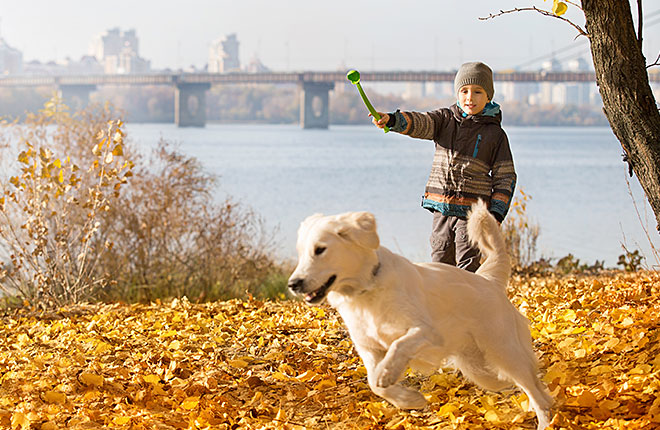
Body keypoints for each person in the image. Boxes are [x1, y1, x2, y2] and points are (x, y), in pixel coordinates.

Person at [372, 61, 516, 272]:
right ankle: (440, 305)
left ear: (488, 97)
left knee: (467, 265)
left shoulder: (495, 134)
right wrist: (393, 121)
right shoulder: (445, 120)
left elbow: (505, 177)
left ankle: (468, 304)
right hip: (442, 207)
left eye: (477, 92)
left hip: (473, 213)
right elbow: (421, 122)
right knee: (439, 264)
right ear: (457, 93)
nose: (470, 97)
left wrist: (494, 215)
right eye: (464, 91)